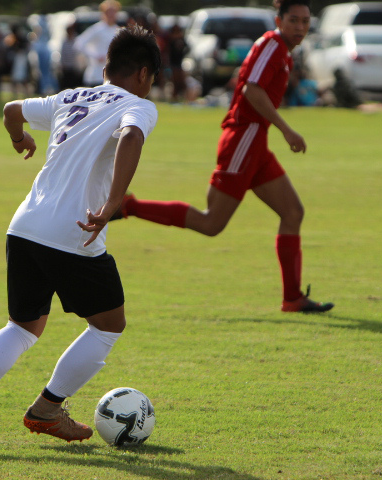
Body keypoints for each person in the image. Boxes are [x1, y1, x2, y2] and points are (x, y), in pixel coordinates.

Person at [0, 24, 161, 448]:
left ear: (106, 68)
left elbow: (11, 109)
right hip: (73, 232)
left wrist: (19, 138)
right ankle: (46, 408)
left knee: (22, 327)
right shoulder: (139, 105)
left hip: (24, 226)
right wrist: (112, 204)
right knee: (108, 326)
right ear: (144, 74)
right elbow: (131, 135)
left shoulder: (70, 96)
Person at [114, 0, 334, 314]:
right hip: (244, 139)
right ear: (278, 21)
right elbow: (251, 91)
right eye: (294, 20)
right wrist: (287, 130)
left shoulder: (281, 51)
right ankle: (128, 206)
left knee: (293, 212)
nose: (300, 27)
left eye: (305, 21)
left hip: (255, 142)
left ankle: (292, 298)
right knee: (211, 222)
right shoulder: (272, 45)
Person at [74, 0, 121, 87]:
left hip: (112, 77)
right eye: (108, 12)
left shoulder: (118, 30)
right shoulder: (97, 29)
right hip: (95, 76)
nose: (111, 14)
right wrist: (95, 56)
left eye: (113, 12)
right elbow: (79, 43)